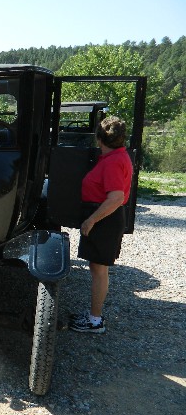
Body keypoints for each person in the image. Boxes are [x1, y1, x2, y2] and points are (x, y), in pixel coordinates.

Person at [69, 116, 133, 334]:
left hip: (105, 219)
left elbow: (115, 197)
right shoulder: (113, 156)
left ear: (99, 138)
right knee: (97, 268)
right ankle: (93, 316)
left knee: (99, 270)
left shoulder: (114, 161)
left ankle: (95, 321)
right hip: (105, 217)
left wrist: (91, 219)